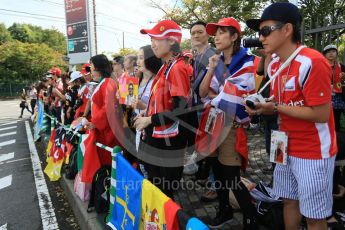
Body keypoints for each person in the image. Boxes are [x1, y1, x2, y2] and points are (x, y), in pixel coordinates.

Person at [245, 2, 337, 229]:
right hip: (283, 146)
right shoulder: (275, 63)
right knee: (288, 201)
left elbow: (321, 114)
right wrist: (263, 105)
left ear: (287, 30)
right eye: (259, 32)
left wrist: (274, 108)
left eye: (266, 31)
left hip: (313, 151)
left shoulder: (313, 61)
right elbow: (279, 101)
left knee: (315, 217)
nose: (261, 37)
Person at [198, 17, 257, 229]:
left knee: (231, 175)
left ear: (234, 37)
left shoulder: (247, 61)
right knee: (218, 173)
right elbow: (203, 92)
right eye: (216, 32)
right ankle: (225, 210)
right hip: (213, 123)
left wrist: (219, 95)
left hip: (231, 125)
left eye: (223, 32)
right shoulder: (217, 61)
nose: (217, 36)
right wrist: (212, 68)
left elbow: (240, 94)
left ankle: (250, 217)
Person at [134, 20, 190, 198]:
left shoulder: (177, 67)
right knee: (157, 190)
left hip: (168, 143)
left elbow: (181, 109)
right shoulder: (166, 66)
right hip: (158, 137)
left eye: (157, 38)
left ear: (172, 40)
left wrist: (149, 120)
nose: (153, 44)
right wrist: (147, 113)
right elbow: (162, 102)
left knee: (164, 194)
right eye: (151, 39)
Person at [82, 54, 122, 183]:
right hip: (103, 129)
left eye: (92, 65)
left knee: (108, 163)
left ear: (97, 67)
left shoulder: (108, 82)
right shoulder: (103, 82)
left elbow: (108, 108)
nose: (90, 68)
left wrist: (94, 122)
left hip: (107, 131)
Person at [189, 21, 218, 202]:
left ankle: (215, 186)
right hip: (196, 107)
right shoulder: (194, 56)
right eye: (193, 33)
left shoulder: (213, 54)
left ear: (207, 35)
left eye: (200, 32)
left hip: (210, 107)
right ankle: (207, 178)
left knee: (213, 147)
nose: (196, 36)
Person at [322, 45, 345, 132]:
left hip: (338, 97)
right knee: (326, 119)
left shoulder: (342, 67)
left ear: (336, 53)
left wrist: (342, 80)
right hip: (325, 95)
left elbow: (344, 82)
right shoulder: (321, 66)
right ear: (324, 55)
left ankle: (337, 137)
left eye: (333, 51)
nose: (331, 53)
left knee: (336, 118)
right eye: (328, 52)